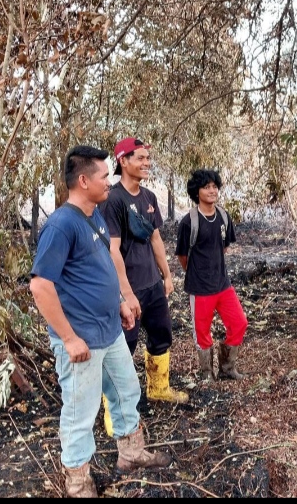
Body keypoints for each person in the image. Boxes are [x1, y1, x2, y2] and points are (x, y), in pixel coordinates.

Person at [30, 145, 172, 498]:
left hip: (109, 329)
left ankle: (131, 454)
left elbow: (106, 265)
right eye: (104, 176)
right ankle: (78, 483)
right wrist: (68, 337)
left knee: (127, 391)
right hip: (82, 339)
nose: (109, 182)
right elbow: (40, 285)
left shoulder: (93, 216)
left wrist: (122, 301)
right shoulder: (61, 225)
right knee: (81, 411)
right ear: (83, 180)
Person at [99, 137, 188, 431]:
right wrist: (125, 293)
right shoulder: (112, 200)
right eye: (140, 158)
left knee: (161, 335)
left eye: (148, 158)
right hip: (128, 289)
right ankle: (116, 412)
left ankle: (158, 388)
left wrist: (166, 275)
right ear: (123, 161)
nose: (146, 163)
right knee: (124, 347)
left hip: (152, 285)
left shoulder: (148, 198)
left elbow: (155, 238)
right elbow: (112, 250)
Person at [175, 169, 248, 381]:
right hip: (200, 288)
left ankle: (227, 367)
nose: (212, 190)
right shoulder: (189, 222)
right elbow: (182, 256)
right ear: (196, 192)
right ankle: (207, 372)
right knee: (202, 332)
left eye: (214, 186)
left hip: (223, 284)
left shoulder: (224, 217)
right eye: (206, 187)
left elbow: (223, 248)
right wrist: (198, 272)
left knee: (239, 323)